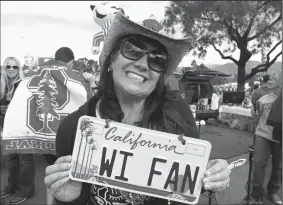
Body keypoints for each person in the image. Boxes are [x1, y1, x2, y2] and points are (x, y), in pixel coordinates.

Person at [44, 13, 231, 205]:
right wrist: (68, 198)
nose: (142, 64)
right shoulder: (74, 129)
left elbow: (187, 185)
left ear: (160, 75)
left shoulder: (178, 114)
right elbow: (73, 195)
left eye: (157, 59)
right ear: (111, 60)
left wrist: (212, 177)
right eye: (132, 50)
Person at [0, 57, 35, 205]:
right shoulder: (2, 85)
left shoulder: (24, 84)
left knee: (25, 161)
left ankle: (25, 191)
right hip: (7, 128)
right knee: (11, 160)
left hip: (23, 128)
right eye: (8, 66)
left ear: (19, 69)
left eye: (15, 67)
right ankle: (12, 187)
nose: (11, 69)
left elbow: (32, 106)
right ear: (4, 68)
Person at [250, 75, 282, 204]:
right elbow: (256, 118)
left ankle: (272, 192)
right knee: (259, 165)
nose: (269, 80)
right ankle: (256, 195)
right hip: (263, 135)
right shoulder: (262, 100)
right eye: (268, 79)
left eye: (274, 78)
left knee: (278, 167)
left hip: (280, 137)